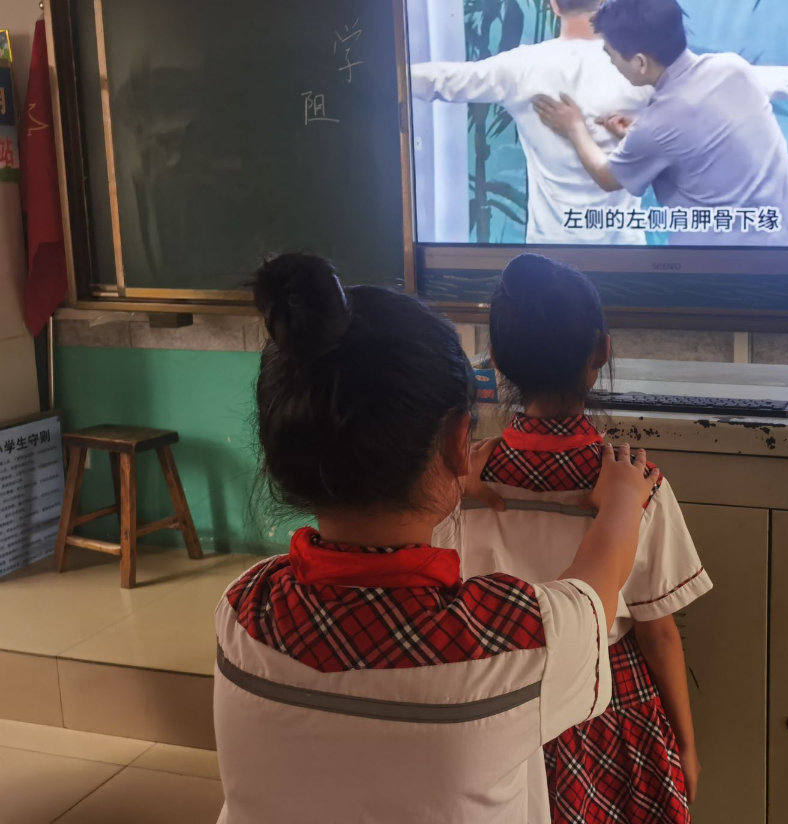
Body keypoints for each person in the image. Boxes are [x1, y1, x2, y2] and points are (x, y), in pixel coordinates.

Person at [213, 253, 658, 824]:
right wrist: (622, 498)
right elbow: (596, 590)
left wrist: (444, 476)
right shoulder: (516, 642)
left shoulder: (243, 611)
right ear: (456, 442)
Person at [434, 253, 712, 824]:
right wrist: (686, 746)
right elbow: (658, 635)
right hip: (606, 710)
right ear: (601, 352)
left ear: (497, 360)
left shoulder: (459, 483)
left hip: (493, 704)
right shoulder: (635, 486)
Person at [412, 0, 788, 245]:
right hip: (623, 248)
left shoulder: (521, 69)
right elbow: (744, 80)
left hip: (552, 248)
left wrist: (386, 74)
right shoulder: (653, 71)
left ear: (553, 3)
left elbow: (447, 79)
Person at [534, 0, 788, 246]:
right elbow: (704, 126)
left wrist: (574, 126)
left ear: (640, 62)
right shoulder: (732, 68)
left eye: (611, 55)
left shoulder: (658, 124)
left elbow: (608, 177)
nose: (609, 61)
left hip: (729, 279)